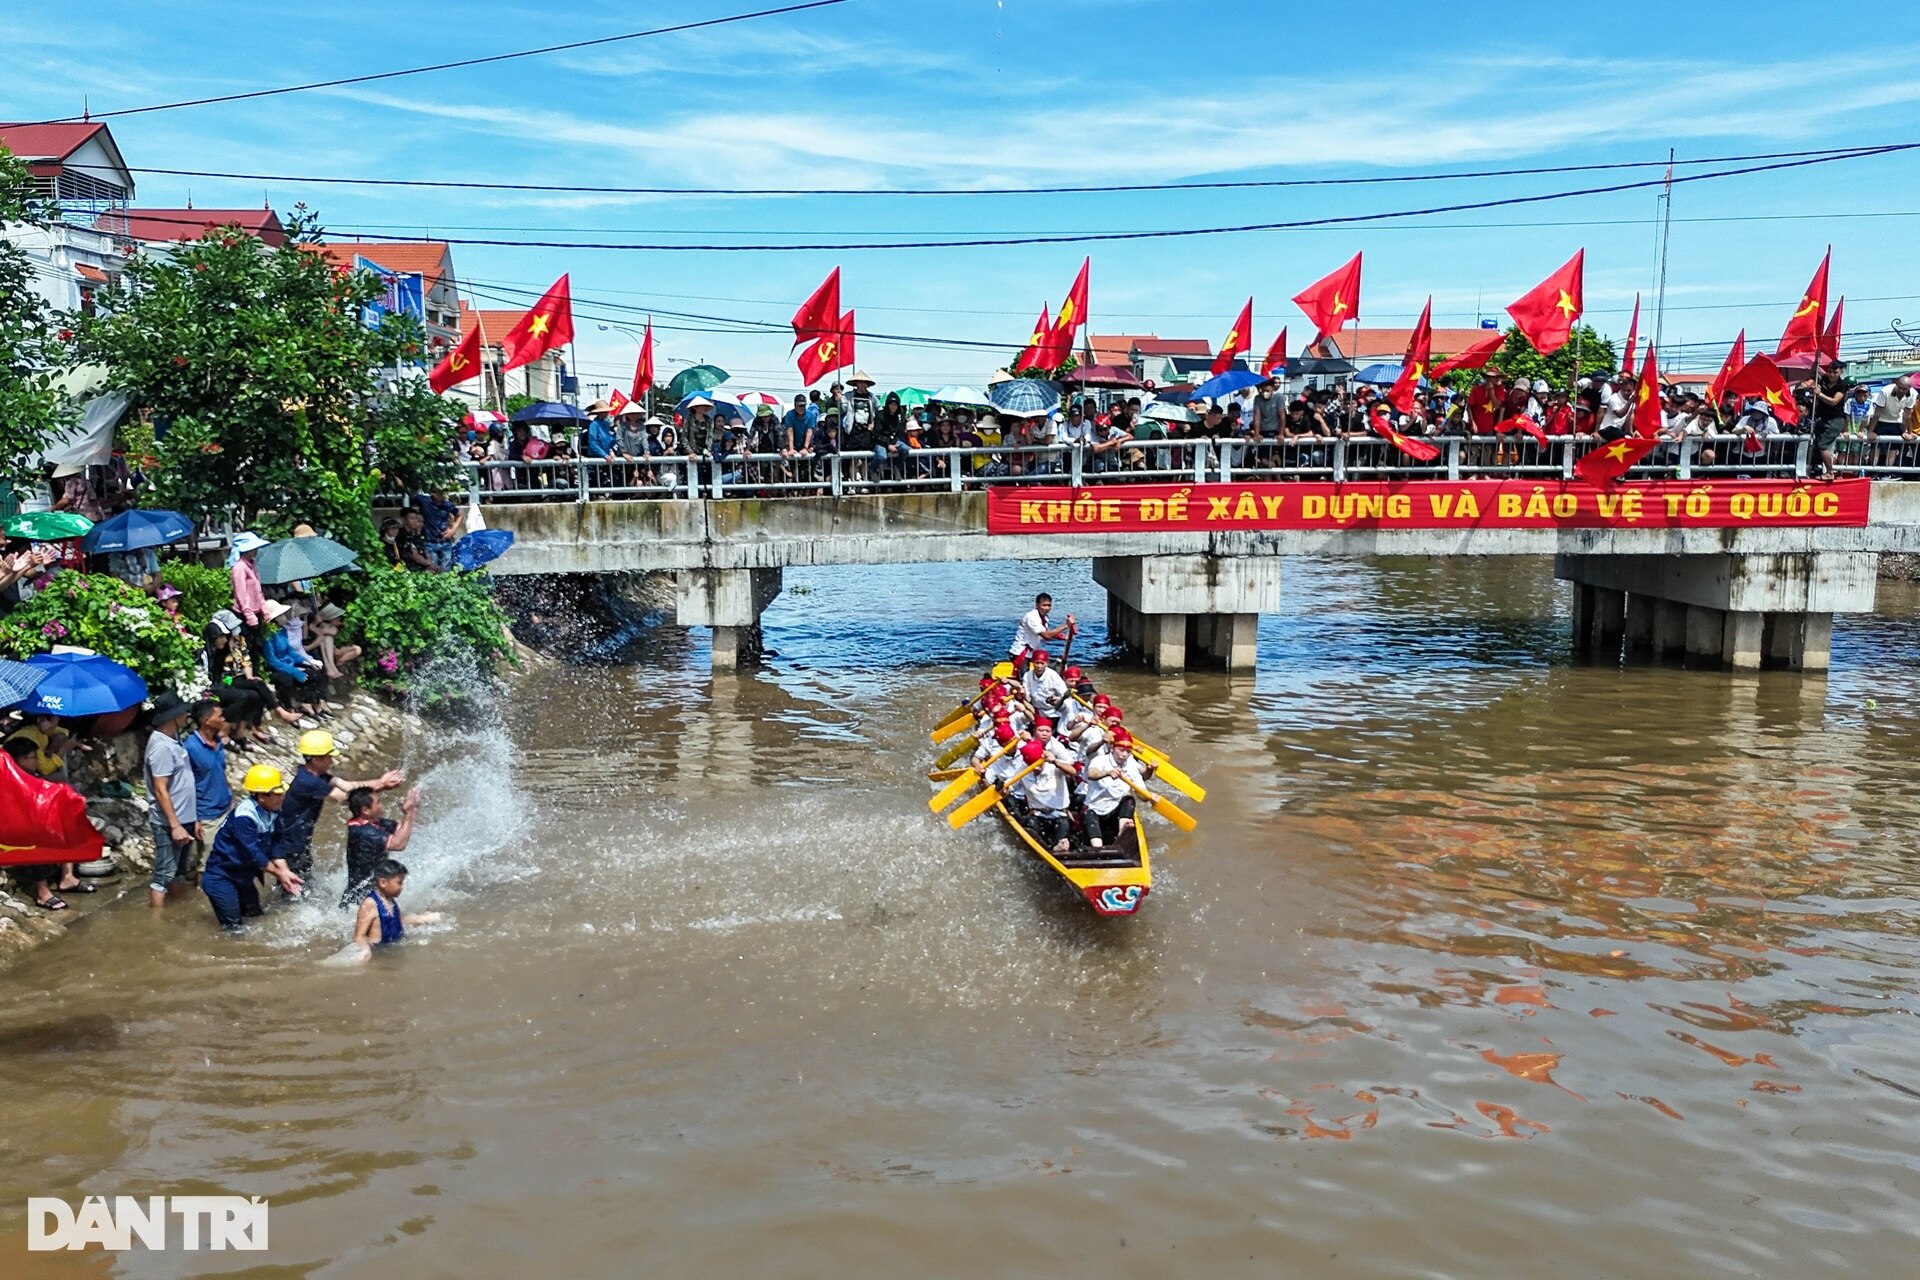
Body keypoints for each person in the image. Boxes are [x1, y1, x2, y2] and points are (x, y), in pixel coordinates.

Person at [273, 729, 405, 891]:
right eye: (329, 757)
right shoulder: (308, 782)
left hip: (299, 843)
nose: (332, 761)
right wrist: (382, 784)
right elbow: (345, 797)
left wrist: (381, 783)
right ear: (315, 759)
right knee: (293, 890)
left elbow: (349, 786)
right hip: (290, 846)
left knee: (303, 885)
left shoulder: (317, 775)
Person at [200, 764, 303, 931]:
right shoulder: (245, 817)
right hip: (222, 877)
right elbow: (253, 852)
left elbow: (277, 841)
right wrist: (279, 873)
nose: (282, 797)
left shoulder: (272, 810)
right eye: (277, 794)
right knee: (234, 929)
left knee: (255, 917)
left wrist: (285, 871)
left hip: (244, 876)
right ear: (262, 796)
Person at [143, 692, 199, 908]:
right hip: (169, 823)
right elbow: (160, 789)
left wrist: (192, 819)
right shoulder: (161, 747)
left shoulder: (172, 740)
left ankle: (176, 913)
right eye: (183, 712)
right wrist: (175, 825)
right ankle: (157, 923)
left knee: (179, 872)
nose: (187, 714)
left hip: (184, 819)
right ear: (172, 716)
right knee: (164, 874)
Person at [342, 785, 421, 907]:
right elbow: (398, 844)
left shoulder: (374, 823)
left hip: (373, 891)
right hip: (360, 900)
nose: (381, 806)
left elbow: (401, 829)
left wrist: (411, 810)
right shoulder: (362, 832)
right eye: (378, 803)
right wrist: (409, 814)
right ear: (366, 810)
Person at [182, 698, 234, 869]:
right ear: (206, 721)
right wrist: (195, 819)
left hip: (225, 807)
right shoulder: (190, 748)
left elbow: (221, 771)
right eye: (219, 717)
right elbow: (186, 786)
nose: (223, 720)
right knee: (207, 865)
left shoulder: (217, 742)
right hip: (206, 816)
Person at [351, 859, 443, 952]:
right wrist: (365, 951)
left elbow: (397, 921)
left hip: (392, 949)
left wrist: (421, 919)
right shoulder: (370, 903)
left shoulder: (390, 901)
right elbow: (359, 936)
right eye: (399, 883)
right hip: (379, 952)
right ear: (383, 882)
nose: (402, 887)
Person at [1085, 729, 1154, 849]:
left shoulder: (1132, 766)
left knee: (1129, 800)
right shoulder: (1100, 760)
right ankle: (1098, 850)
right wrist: (1107, 773)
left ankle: (1122, 833)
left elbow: (1141, 795)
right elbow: (1091, 774)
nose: (1124, 755)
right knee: (1089, 814)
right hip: (1095, 809)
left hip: (1115, 811)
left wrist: (1149, 797)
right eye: (1121, 750)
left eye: (1128, 752)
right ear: (1112, 748)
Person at [1809, 361, 1853, 482]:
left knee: (1822, 445)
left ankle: (1830, 472)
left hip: (1835, 419)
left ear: (1840, 372)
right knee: (1816, 444)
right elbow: (1814, 371)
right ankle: (1816, 468)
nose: (1831, 375)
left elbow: (1834, 401)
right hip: (1822, 418)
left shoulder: (1842, 385)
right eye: (1829, 372)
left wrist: (1820, 394)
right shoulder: (1823, 379)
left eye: (1835, 372)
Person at [1008, 592, 1075, 670]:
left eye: (1049, 605)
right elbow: (1046, 635)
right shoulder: (1031, 617)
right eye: (1044, 605)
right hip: (1020, 653)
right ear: (1037, 605)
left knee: (1043, 671)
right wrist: (1066, 625)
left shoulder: (1044, 617)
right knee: (1025, 679)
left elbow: (1045, 631)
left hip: (1031, 652)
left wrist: (1062, 637)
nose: (1047, 608)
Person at [1021, 647, 1070, 725]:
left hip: (1054, 712)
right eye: (1037, 663)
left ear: (1046, 663)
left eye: (1042, 663)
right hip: (1036, 711)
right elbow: (1027, 695)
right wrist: (1022, 694)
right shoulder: (1027, 676)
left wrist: (1056, 699)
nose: (1039, 666)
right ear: (1033, 662)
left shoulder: (1053, 676)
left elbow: (1064, 694)